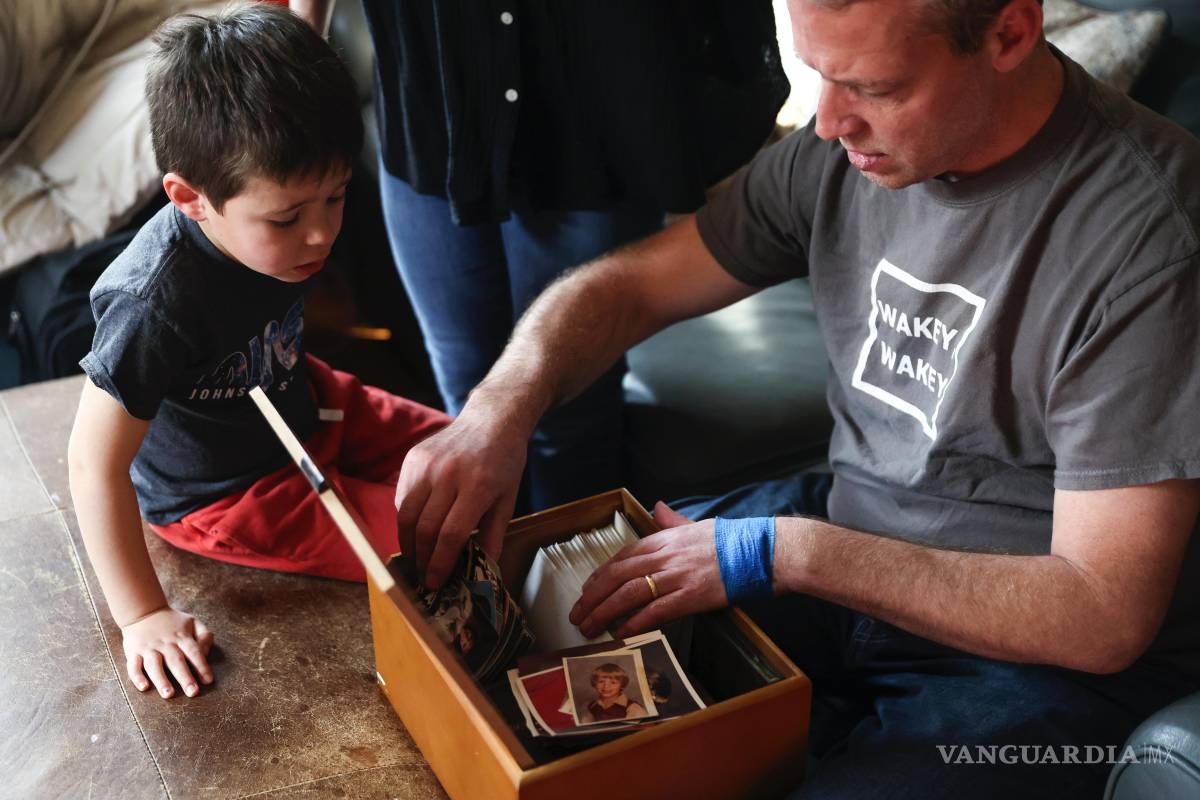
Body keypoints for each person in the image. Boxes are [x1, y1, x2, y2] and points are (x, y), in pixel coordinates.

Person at [392, 0, 1200, 796]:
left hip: (1032, 661)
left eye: (874, 87)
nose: (827, 122)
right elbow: (632, 286)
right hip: (841, 546)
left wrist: (788, 553)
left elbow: (1102, 615)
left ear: (1010, 34)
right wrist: (498, 410)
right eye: (818, 74)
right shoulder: (844, 151)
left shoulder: (1150, 239)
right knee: (519, 683)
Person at [66, 5, 449, 703]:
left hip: (304, 395)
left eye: (335, 198)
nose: (320, 236)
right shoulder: (154, 303)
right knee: (432, 549)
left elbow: (304, 36)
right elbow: (93, 463)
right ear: (191, 199)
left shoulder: (280, 206)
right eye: (287, 218)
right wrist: (143, 616)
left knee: (466, 466)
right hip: (232, 492)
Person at [292, 0, 789, 511]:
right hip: (435, 89)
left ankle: (569, 580)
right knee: (465, 394)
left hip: (589, 107)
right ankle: (486, 580)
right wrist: (302, 40)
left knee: (571, 408)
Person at [580, 662, 649, 723]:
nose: (606, 686)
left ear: (622, 685)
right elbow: (586, 725)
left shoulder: (632, 708)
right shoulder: (593, 706)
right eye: (601, 681)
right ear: (594, 684)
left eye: (613, 682)